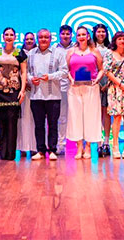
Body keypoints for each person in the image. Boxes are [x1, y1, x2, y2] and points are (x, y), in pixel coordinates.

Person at [28, 28, 68, 160]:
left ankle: (52, 150)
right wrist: (30, 79)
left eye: (46, 37)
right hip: (36, 95)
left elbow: (64, 72)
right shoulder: (31, 53)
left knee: (53, 124)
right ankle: (40, 150)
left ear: (51, 39)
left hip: (53, 96)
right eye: (41, 37)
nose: (43, 39)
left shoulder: (58, 53)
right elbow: (26, 72)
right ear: (37, 39)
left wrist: (50, 77)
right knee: (39, 125)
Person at [0, 27, 28, 160]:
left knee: (12, 123)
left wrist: (22, 90)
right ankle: (3, 152)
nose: (9, 37)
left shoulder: (19, 52)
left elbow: (24, 72)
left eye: (11, 35)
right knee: (0, 123)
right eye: (7, 35)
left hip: (13, 91)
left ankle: (11, 153)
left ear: (15, 37)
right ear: (3, 37)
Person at [66, 26, 104, 159]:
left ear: (88, 36)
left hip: (91, 88)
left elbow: (101, 69)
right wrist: (71, 79)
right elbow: (67, 69)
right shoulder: (71, 51)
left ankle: (88, 146)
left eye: (83, 34)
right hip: (74, 88)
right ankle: (79, 147)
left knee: (90, 117)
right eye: (79, 35)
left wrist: (97, 79)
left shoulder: (95, 51)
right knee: (75, 117)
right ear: (76, 37)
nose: (81, 37)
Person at [105, 31, 124, 158]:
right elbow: (107, 71)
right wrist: (120, 84)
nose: (122, 41)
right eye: (119, 39)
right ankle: (115, 145)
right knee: (117, 117)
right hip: (115, 88)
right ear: (115, 41)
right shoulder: (109, 54)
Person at [93, 24, 112, 157]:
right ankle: (98, 143)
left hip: (109, 83)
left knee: (107, 113)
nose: (101, 34)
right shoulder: (91, 48)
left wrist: (108, 82)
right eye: (98, 32)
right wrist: (98, 82)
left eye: (103, 31)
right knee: (96, 113)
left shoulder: (111, 48)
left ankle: (106, 142)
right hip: (94, 83)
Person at [54, 24, 74, 154]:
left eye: (68, 34)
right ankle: (59, 144)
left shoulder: (76, 48)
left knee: (73, 117)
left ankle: (81, 144)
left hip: (75, 86)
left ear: (71, 35)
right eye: (63, 34)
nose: (65, 36)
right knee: (59, 117)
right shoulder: (53, 49)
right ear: (59, 35)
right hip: (58, 87)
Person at [17, 32, 37, 156]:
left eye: (31, 39)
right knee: (22, 119)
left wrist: (32, 81)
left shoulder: (38, 53)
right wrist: (24, 83)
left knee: (35, 119)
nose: (29, 41)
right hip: (22, 90)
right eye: (27, 39)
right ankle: (23, 147)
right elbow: (17, 71)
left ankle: (35, 146)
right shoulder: (19, 53)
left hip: (36, 89)